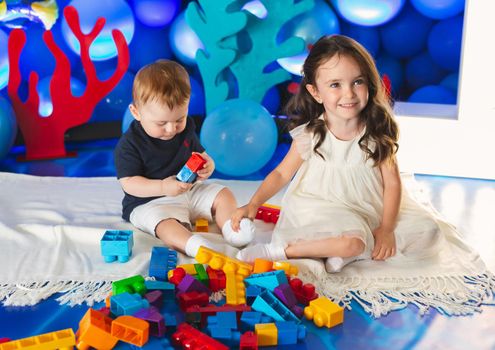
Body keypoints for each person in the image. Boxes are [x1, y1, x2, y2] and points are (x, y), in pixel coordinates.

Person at [231, 35, 438, 273]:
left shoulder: (376, 132)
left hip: (362, 209)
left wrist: (387, 228)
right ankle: (280, 250)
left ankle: (338, 252)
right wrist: (254, 203)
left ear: (368, 83)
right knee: (352, 243)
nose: (349, 94)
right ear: (316, 92)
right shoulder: (311, 135)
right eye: (335, 84)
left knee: (426, 231)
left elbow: (392, 184)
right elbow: (281, 173)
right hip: (318, 206)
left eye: (357, 82)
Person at [114, 59, 255, 257]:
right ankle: (192, 244)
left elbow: (199, 153)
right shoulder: (130, 144)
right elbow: (129, 183)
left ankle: (232, 229)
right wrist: (163, 187)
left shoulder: (186, 127)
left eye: (179, 119)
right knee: (164, 224)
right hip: (151, 201)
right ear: (136, 112)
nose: (172, 129)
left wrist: (209, 164)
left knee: (224, 194)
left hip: (189, 189)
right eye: (161, 123)